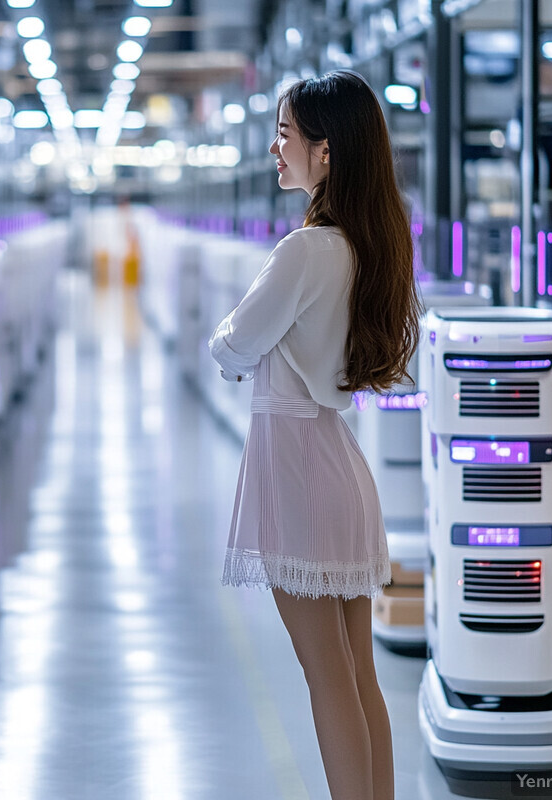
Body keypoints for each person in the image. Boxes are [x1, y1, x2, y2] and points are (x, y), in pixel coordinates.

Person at [209, 70, 421, 800]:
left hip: (296, 472)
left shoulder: (303, 251)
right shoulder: (366, 245)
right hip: (337, 465)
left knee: (325, 673)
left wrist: (241, 351)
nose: (274, 149)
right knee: (357, 670)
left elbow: (231, 345)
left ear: (325, 153)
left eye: (285, 135)